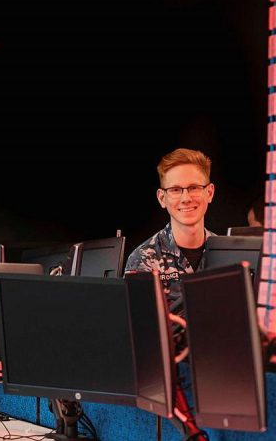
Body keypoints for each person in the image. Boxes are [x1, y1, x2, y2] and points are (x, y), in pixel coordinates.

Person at [124, 148, 215, 441]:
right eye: (176, 189)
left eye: (194, 188)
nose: (186, 197)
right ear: (162, 199)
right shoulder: (144, 258)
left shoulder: (232, 252)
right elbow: (140, 337)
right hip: (174, 365)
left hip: (225, 354)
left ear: (209, 192)